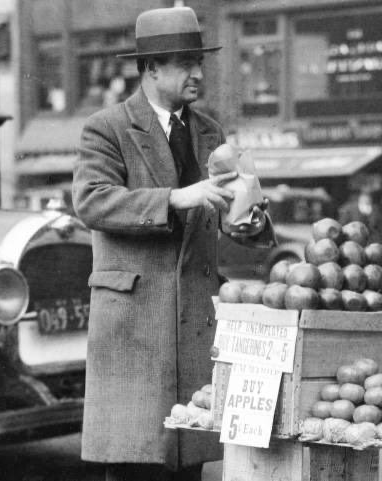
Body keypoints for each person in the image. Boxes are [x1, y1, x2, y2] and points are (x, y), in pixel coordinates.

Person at [72, 7, 274, 481]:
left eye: (199, 62)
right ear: (151, 69)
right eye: (185, 63)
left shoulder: (209, 132)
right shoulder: (107, 127)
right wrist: (177, 197)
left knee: (188, 462)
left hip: (194, 331)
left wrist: (248, 217)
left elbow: (229, 216)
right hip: (134, 332)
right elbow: (92, 201)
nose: (198, 73)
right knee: (136, 463)